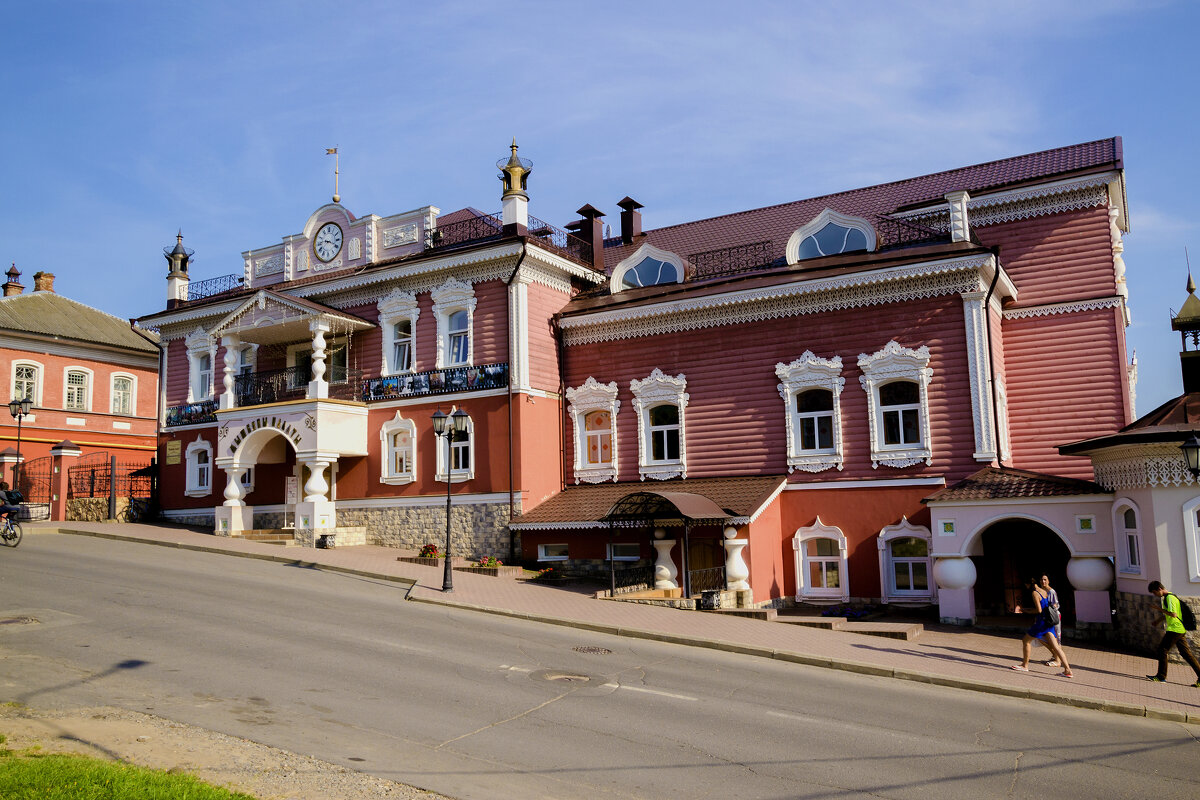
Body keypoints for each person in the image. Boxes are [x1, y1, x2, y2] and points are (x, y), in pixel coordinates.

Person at [1012, 576, 1073, 678]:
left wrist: (1024, 610)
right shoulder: (1043, 591)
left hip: (1041, 623)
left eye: (1025, 585)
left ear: (1028, 584)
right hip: (1048, 623)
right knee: (1056, 647)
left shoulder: (1035, 593)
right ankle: (1068, 670)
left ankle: (1024, 665)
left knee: (1026, 641)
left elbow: (1038, 610)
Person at [1146, 581, 1200, 686]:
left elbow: (1173, 614)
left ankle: (1161, 676)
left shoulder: (1169, 598)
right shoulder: (1171, 596)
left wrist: (1158, 609)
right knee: (1186, 654)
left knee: (1162, 650)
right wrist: (1158, 621)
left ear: (1159, 589)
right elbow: (1169, 613)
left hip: (1174, 629)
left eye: (1154, 592)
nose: (1155, 595)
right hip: (1179, 629)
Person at [1036, 574, 1063, 666]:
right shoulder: (1041, 591)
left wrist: (1049, 610)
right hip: (1045, 618)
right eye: (1041, 579)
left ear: (1048, 581)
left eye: (1045, 579)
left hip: (1053, 618)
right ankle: (1055, 655)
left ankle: (1057, 660)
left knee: (1056, 638)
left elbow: (1056, 605)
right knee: (1041, 637)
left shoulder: (1051, 591)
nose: (1043, 581)